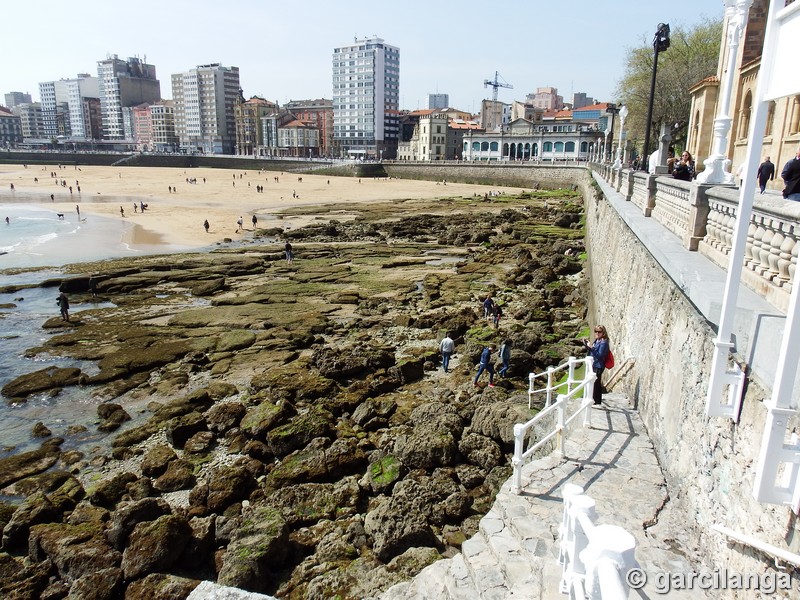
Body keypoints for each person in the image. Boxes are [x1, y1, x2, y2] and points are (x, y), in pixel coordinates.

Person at [584, 325, 610, 405]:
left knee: (596, 383)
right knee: (595, 383)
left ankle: (596, 401)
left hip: (599, 365)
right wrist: (587, 345)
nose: (597, 333)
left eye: (599, 332)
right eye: (596, 331)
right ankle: (596, 400)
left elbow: (600, 355)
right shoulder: (597, 340)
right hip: (595, 364)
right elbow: (592, 351)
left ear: (603, 333)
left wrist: (591, 347)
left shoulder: (604, 343)